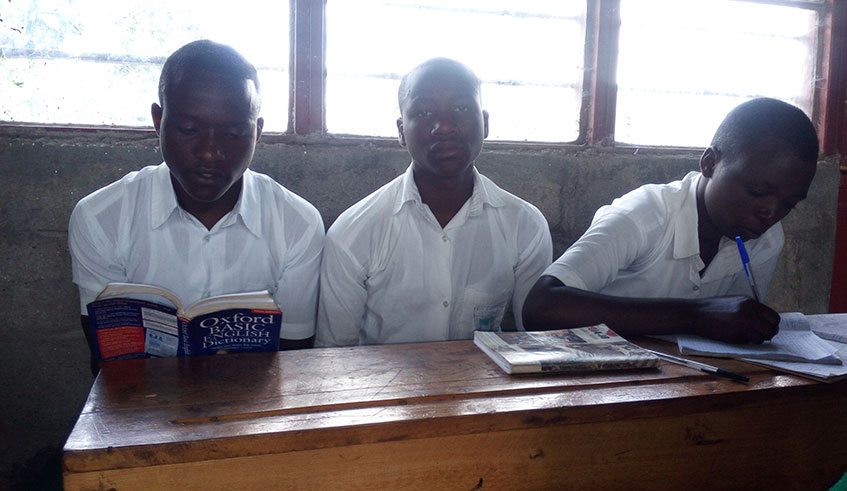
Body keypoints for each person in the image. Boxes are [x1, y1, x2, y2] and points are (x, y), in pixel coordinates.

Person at [69, 40, 324, 372]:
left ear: (258, 132)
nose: (209, 152)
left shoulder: (298, 223)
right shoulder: (101, 218)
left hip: (253, 400)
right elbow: (108, 363)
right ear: (158, 120)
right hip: (144, 399)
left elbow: (294, 357)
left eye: (234, 133)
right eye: (189, 130)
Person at [522, 97, 819, 344]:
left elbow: (734, 327)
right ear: (709, 164)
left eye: (789, 204)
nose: (771, 214)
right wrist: (696, 315)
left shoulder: (766, 238)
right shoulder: (644, 215)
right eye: (757, 192)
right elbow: (541, 306)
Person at [315, 57, 552, 347]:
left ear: (485, 123)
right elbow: (333, 356)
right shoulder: (354, 232)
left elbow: (535, 345)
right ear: (401, 131)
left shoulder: (525, 226)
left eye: (461, 108)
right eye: (424, 112)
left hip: (485, 378)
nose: (444, 126)